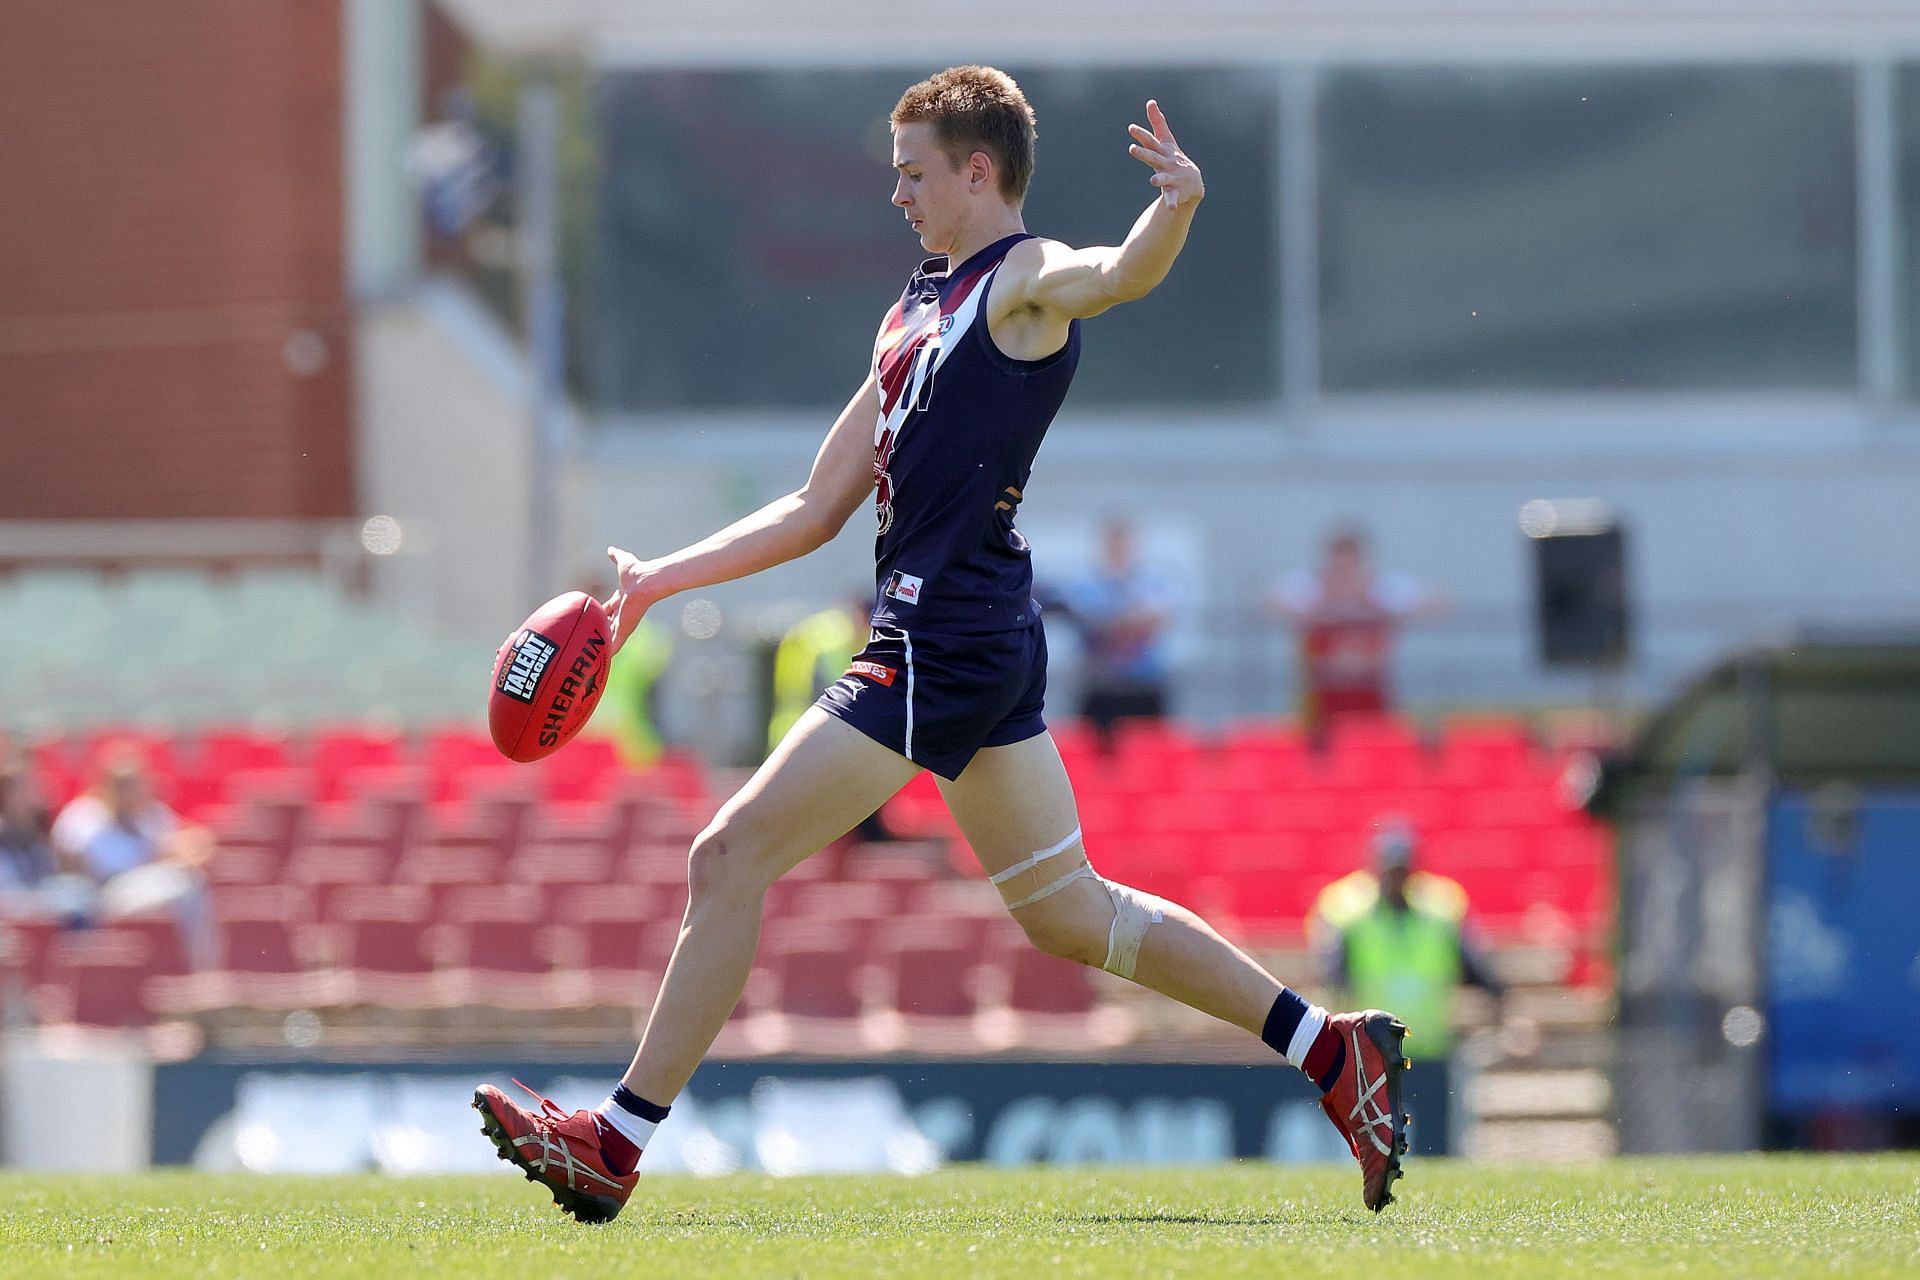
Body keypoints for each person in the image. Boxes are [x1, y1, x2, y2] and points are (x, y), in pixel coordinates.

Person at [473, 66, 1410, 1222]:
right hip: (972, 634)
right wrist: (660, 579)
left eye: (916, 171)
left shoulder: (1020, 279)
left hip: (941, 639)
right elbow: (818, 504)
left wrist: (1174, 208)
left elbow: (1112, 277)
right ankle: (1331, 1050)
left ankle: (612, 1141)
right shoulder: (914, 307)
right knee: (1067, 908)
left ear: (980, 170)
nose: (900, 194)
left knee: (727, 855)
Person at [1311, 821, 1512, 1154]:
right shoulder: (1349, 913)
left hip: (1430, 1052)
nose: (1397, 877)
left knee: (1437, 1152)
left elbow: (1478, 969)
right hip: (1373, 1057)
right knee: (1377, 1152)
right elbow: (1332, 976)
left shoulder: (1441, 911)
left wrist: (1503, 1007)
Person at [1270, 524, 1444, 741]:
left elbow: (1439, 604)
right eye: (1338, 568)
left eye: (1349, 566)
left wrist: (1381, 606)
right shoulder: (1313, 590)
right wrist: (1320, 608)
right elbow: (1272, 604)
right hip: (1323, 700)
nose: (1344, 575)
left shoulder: (1381, 589)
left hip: (1370, 696)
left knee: (1372, 749)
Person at [48, 746, 216, 968]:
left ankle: (200, 968)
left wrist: (182, 851)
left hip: (138, 889)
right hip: (98, 897)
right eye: (121, 784)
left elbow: (190, 844)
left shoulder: (150, 814)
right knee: (182, 883)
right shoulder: (83, 815)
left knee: (188, 882)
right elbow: (74, 864)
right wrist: (157, 855)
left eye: (135, 783)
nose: (130, 790)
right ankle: (201, 968)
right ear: (105, 784)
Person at [1060, 519, 1176, 743]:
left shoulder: (1152, 581)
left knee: (1149, 752)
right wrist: (1130, 620)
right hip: (1101, 687)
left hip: (1144, 685)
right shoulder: (1085, 585)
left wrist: (1116, 620)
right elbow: (1092, 621)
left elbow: (1160, 616)